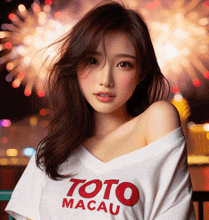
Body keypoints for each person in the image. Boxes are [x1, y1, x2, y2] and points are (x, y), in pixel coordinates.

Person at [5, 0, 195, 219]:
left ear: (141, 73)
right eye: (93, 61)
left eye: (123, 64)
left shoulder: (156, 120)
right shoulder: (51, 150)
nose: (106, 80)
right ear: (75, 66)